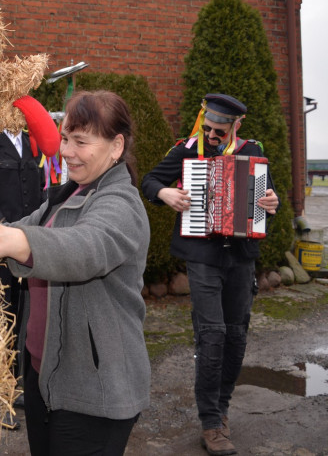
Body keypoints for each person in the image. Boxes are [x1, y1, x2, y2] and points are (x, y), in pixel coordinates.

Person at [0, 90, 151, 456]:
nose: (65, 151)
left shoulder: (122, 205)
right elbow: (16, 234)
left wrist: (9, 238)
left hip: (91, 393)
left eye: (80, 141)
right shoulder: (62, 197)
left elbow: (85, 249)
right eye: (65, 138)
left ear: (116, 147)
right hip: (42, 379)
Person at [140, 93, 279, 456]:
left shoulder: (253, 151)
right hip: (202, 257)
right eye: (209, 128)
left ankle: (223, 409)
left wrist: (271, 203)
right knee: (212, 336)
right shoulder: (187, 150)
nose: (213, 135)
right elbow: (149, 181)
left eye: (220, 130)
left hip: (242, 258)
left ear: (237, 125)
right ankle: (211, 424)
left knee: (235, 337)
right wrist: (167, 193)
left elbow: (268, 197)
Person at [0, 128, 48, 429]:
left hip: (27, 248)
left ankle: (14, 386)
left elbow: (43, 190)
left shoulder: (33, 142)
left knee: (22, 320)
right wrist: (4, 231)